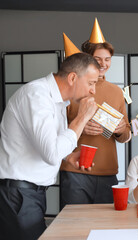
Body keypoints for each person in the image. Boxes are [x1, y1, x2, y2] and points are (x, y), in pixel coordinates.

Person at [0, 52, 100, 240]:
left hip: (29, 195)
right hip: (19, 195)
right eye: (92, 83)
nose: (93, 90)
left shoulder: (59, 102)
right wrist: (82, 117)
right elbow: (51, 153)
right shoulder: (37, 95)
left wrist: (68, 157)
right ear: (72, 78)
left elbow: (48, 145)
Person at [60, 21, 131, 209]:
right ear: (86, 59)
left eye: (107, 59)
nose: (103, 64)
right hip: (75, 170)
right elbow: (54, 131)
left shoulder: (116, 91)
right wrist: (80, 125)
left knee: (105, 228)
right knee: (75, 228)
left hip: (108, 172)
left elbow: (125, 136)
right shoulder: (71, 88)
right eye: (98, 58)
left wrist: (121, 129)